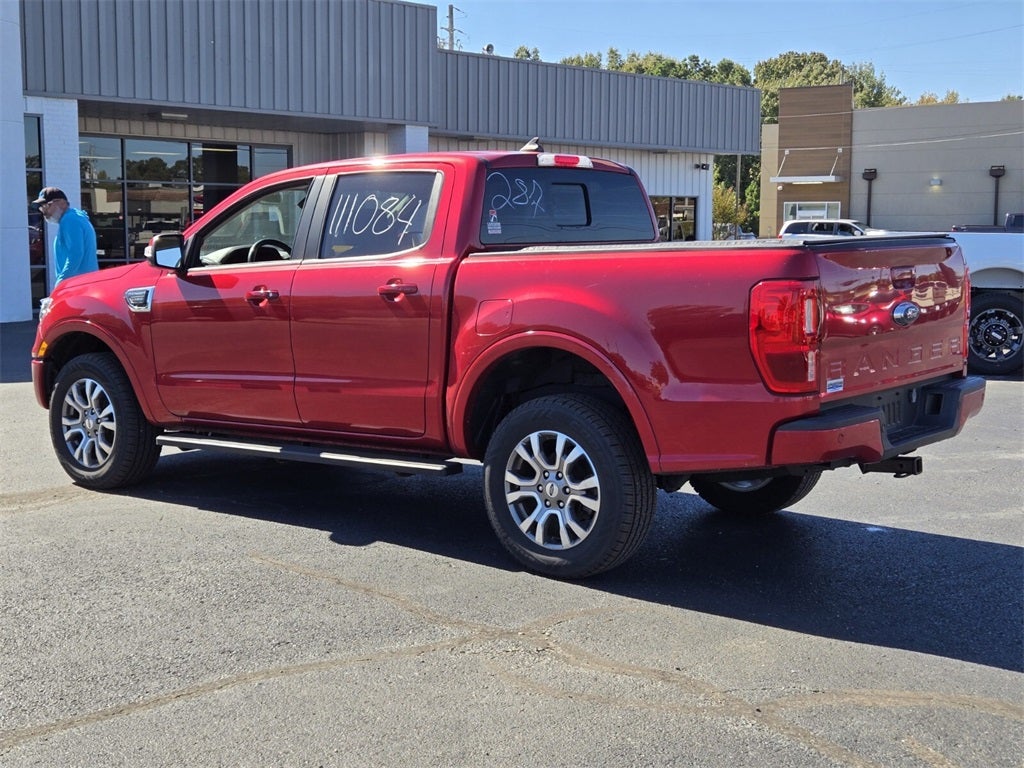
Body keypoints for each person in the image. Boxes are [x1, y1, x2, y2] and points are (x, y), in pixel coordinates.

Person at [33, 187, 98, 286]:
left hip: (78, 286)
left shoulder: (70, 220)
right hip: (84, 284)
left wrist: (61, 283)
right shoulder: (75, 218)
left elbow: (76, 254)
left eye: (47, 205)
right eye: (42, 207)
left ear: (62, 203)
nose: (44, 212)